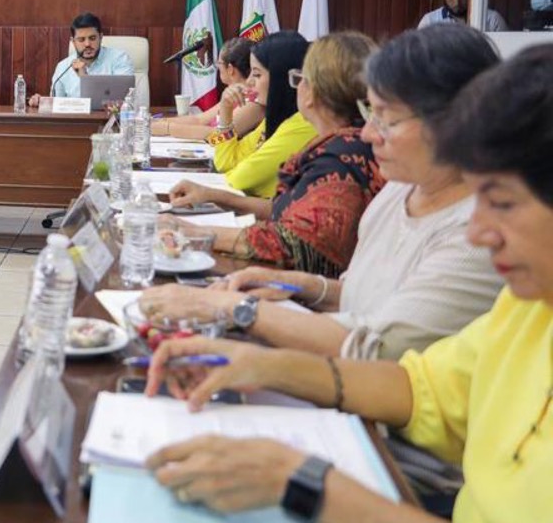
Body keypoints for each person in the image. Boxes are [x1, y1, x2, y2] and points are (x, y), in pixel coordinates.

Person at [140, 44, 553, 522]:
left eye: (501, 203)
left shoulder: (491, 260)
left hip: (403, 479)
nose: (479, 230)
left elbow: (379, 350)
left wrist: (304, 483)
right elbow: (420, 388)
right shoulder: (528, 308)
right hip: (365, 444)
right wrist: (261, 363)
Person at [142, 26, 505, 359]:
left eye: (386, 119)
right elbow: (361, 294)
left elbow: (378, 350)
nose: (368, 133)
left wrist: (234, 308)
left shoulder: (478, 236)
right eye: (369, 112)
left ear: (454, 122)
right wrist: (299, 287)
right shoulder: (401, 189)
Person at [162, 31, 383, 277]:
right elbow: (284, 206)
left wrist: (187, 231)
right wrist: (213, 195)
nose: (250, 82)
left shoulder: (341, 154)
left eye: (299, 79)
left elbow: (295, 245)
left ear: (312, 92)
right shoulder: (327, 137)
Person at [194, 31, 316, 198]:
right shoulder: (273, 119)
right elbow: (225, 162)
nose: (250, 81)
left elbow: (235, 178)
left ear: (281, 76)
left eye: (257, 74)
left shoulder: (302, 124)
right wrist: (225, 114)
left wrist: (166, 127)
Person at [153, 37, 264, 140]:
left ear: (230, 69)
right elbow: (199, 120)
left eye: (219, 63)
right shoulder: (233, 94)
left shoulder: (254, 103)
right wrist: (158, 122)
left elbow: (220, 137)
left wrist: (168, 128)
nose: (218, 67)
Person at [26, 12, 134, 106]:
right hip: (74, 122)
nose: (87, 44)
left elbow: (125, 100)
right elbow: (57, 105)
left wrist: (84, 77)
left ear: (101, 37)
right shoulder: (63, 67)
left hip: (111, 121)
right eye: (81, 40)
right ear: (73, 42)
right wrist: (42, 102)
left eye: (92, 38)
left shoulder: (119, 59)